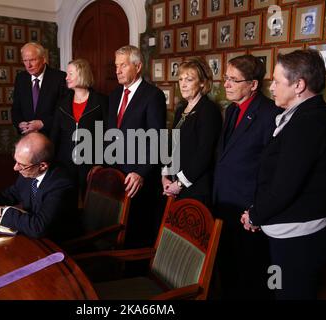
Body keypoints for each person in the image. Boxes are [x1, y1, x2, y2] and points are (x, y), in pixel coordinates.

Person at [241, 49, 326, 300]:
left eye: (276, 81)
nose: (271, 87)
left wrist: (255, 214)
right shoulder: (299, 115)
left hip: (300, 240)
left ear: (299, 85)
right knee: (279, 291)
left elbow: (286, 186)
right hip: (287, 233)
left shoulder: (310, 122)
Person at [213, 55, 282, 300]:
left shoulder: (269, 113)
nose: (226, 84)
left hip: (247, 211)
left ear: (253, 84)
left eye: (234, 80)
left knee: (250, 278)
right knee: (228, 271)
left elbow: (271, 169)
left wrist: (257, 209)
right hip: (224, 204)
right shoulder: (231, 110)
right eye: (226, 78)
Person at [0, 132, 80, 241]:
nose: (15, 168)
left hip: (55, 244)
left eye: (21, 165)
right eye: (16, 161)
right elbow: (11, 194)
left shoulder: (61, 184)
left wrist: (3, 211)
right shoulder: (30, 171)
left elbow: (38, 227)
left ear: (43, 166)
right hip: (30, 236)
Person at [106, 45, 166, 248]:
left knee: (136, 233)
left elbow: (157, 139)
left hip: (139, 178)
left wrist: (141, 172)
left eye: (123, 65)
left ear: (138, 66)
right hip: (116, 173)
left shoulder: (153, 95)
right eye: (116, 66)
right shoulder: (114, 95)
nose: (118, 70)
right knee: (116, 229)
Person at [161, 58, 222, 206]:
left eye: (189, 79)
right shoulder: (181, 109)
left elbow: (204, 154)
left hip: (196, 188)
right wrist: (165, 175)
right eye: (181, 79)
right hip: (174, 184)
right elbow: (173, 147)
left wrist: (180, 184)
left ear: (202, 83)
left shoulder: (209, 110)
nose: (183, 84)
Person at [51, 59, 108, 199]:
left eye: (70, 73)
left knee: (91, 204)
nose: (66, 77)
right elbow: (54, 135)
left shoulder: (101, 101)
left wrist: (100, 163)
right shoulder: (62, 103)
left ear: (82, 74)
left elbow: (108, 135)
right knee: (65, 204)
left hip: (91, 164)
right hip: (64, 164)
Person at [12, 42, 67, 136]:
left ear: (43, 59)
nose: (28, 65)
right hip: (28, 137)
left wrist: (43, 124)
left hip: (53, 137)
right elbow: (16, 108)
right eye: (25, 61)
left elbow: (65, 111)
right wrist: (20, 123)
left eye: (32, 60)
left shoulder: (60, 78)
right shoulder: (21, 78)